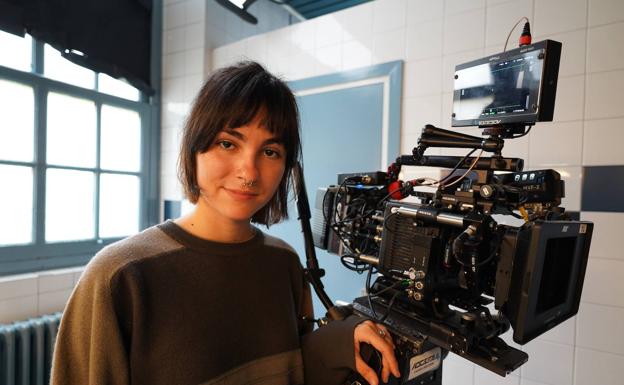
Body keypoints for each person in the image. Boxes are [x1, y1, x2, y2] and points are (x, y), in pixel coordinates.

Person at [50, 61, 399, 385]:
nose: (249, 172)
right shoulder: (120, 276)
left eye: (270, 151)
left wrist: (338, 341)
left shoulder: (284, 263)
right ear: (193, 151)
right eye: (227, 143)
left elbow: (289, 367)